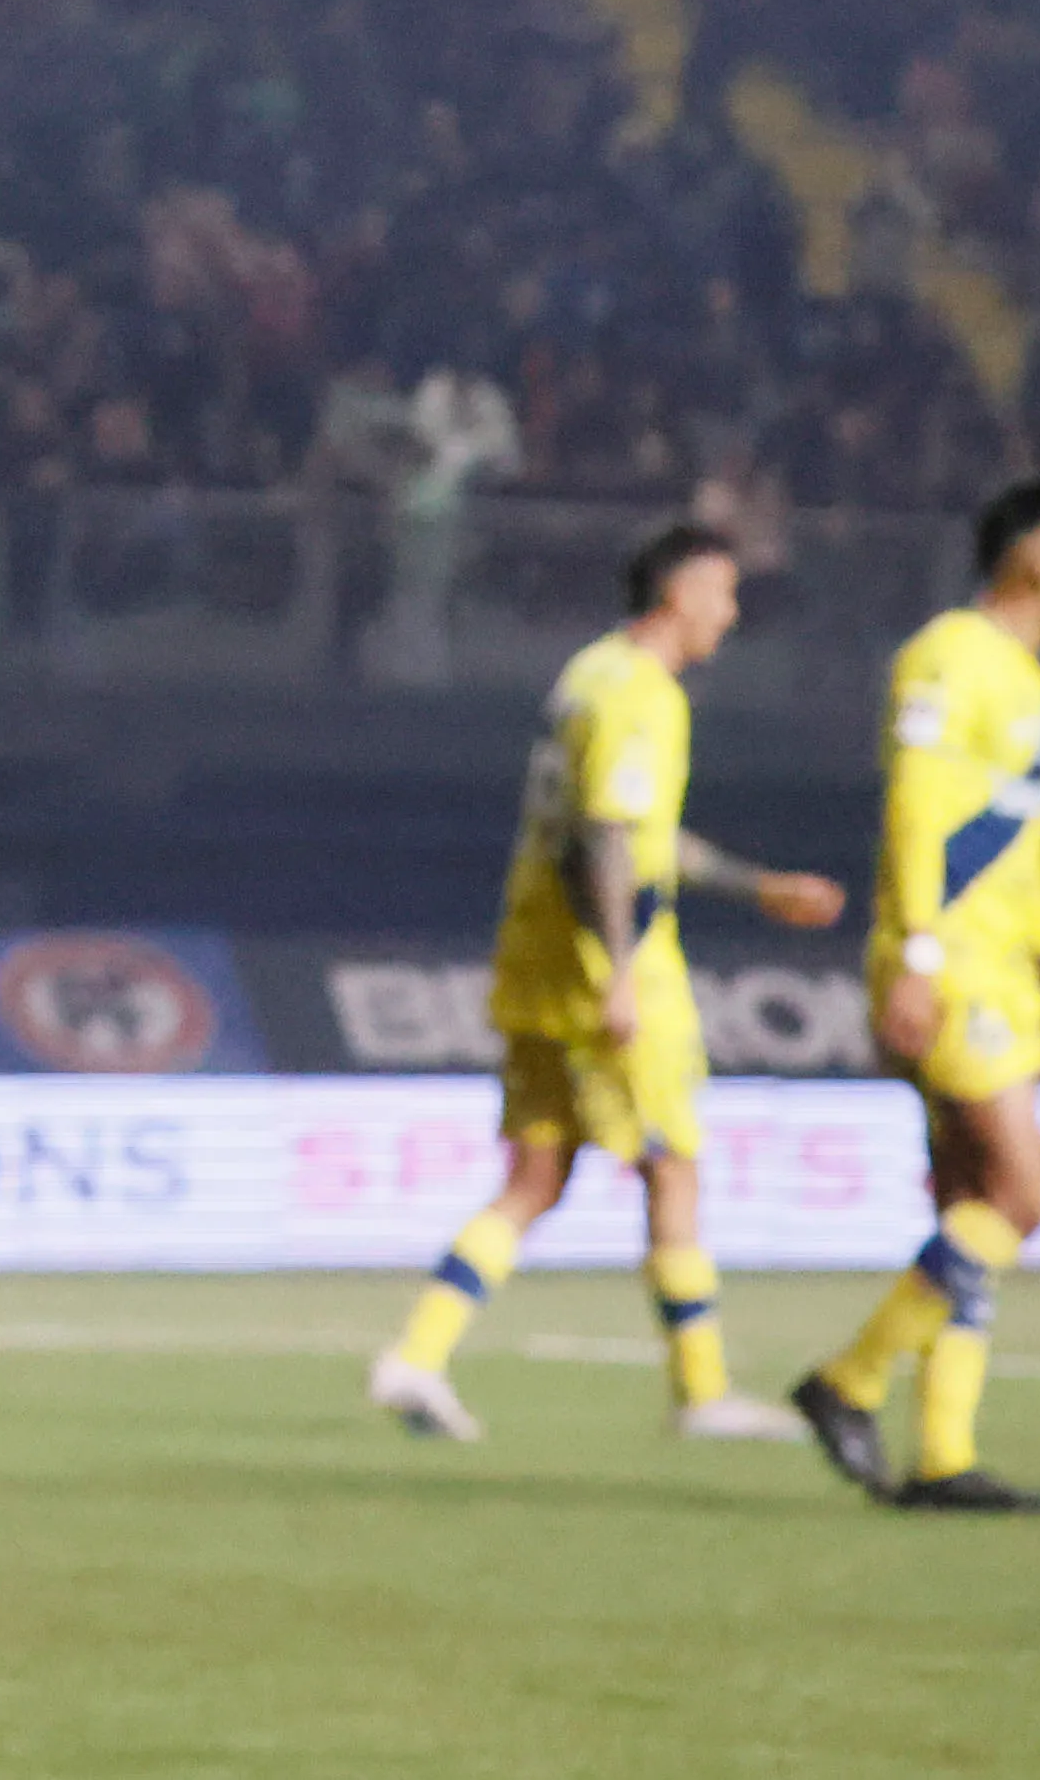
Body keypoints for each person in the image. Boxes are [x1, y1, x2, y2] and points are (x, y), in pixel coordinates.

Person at [367, 524, 845, 1442]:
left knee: (536, 1175)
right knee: (673, 1166)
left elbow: (632, 831)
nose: (731, 613)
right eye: (723, 592)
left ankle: (414, 1357)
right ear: (680, 591)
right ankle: (701, 1392)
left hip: (533, 955)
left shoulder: (587, 673)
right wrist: (621, 973)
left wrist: (756, 885)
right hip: (604, 967)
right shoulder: (643, 696)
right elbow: (609, 843)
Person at [793, 480, 1040, 1513]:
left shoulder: (1030, 685)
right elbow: (915, 810)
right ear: (1034, 561)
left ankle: (939, 1454)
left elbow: (1021, 853)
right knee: (1020, 1191)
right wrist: (919, 958)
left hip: (995, 961)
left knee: (966, 1201)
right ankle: (846, 1381)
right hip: (948, 961)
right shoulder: (946, 658)